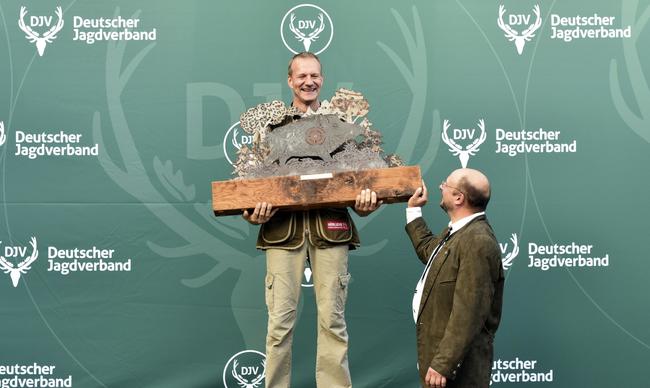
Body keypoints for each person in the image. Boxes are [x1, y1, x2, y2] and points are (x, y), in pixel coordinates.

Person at [242, 52, 381, 388]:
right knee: (279, 325)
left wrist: (365, 205)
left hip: (330, 230)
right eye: (301, 76)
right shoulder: (268, 129)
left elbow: (361, 185)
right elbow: (248, 189)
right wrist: (251, 212)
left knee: (333, 322)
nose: (309, 82)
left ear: (322, 80)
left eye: (315, 76)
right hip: (281, 233)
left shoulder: (343, 126)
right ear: (290, 81)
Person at [404, 168, 504, 388]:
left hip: (456, 371)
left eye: (445, 185)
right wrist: (413, 211)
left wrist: (443, 363)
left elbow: (468, 312)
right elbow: (430, 252)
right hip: (442, 363)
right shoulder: (459, 233)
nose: (441, 187)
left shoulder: (477, 241)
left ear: (459, 197)